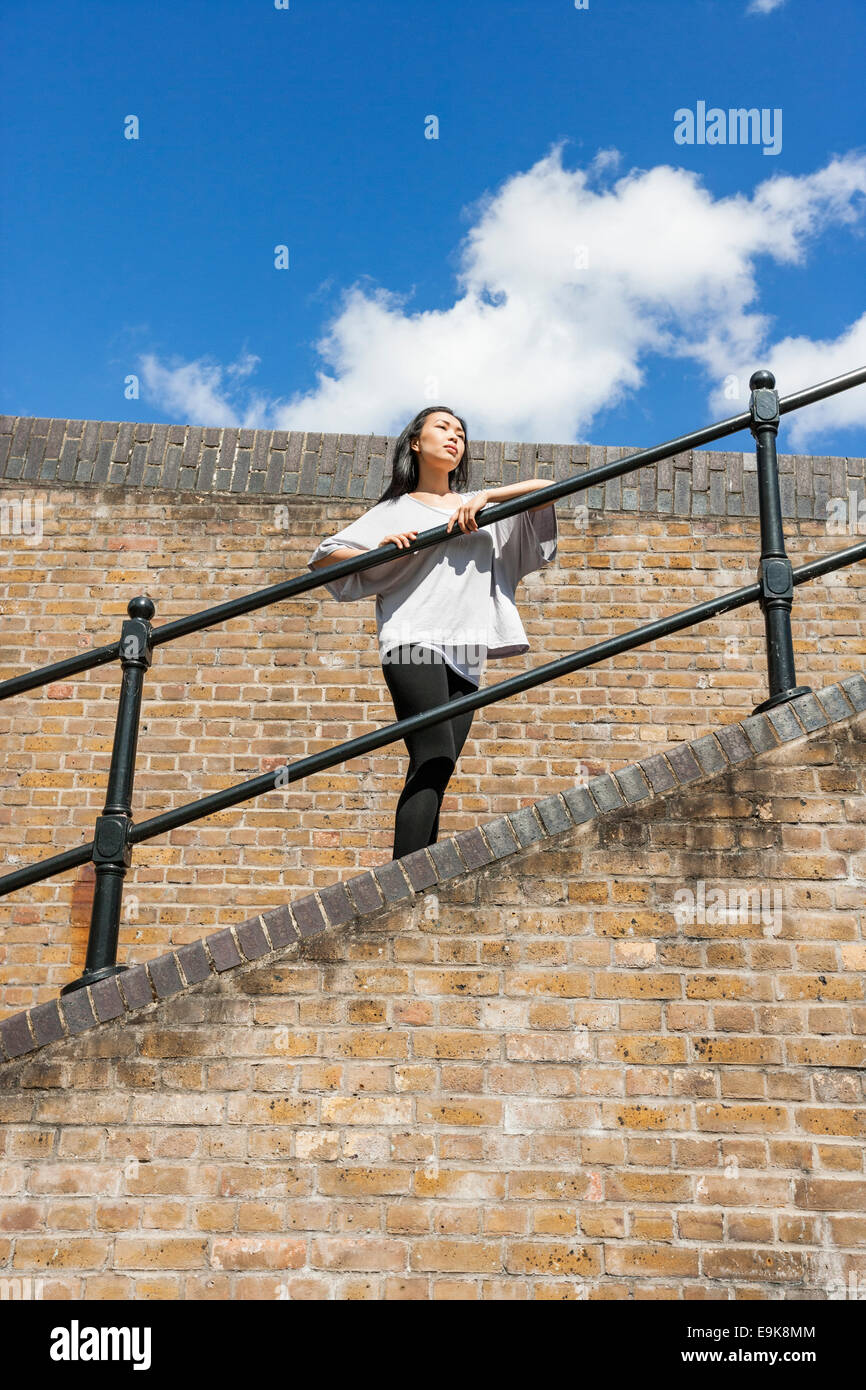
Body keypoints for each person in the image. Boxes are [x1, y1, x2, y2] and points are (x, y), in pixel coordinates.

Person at [308, 406, 557, 860]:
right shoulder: (395, 509)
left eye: (460, 432)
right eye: (441, 428)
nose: (454, 437)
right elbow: (324, 558)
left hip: (467, 648)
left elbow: (548, 491)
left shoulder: (483, 507)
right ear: (416, 444)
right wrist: (377, 550)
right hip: (412, 640)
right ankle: (403, 880)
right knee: (434, 754)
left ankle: (419, 874)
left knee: (437, 768)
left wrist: (489, 497)